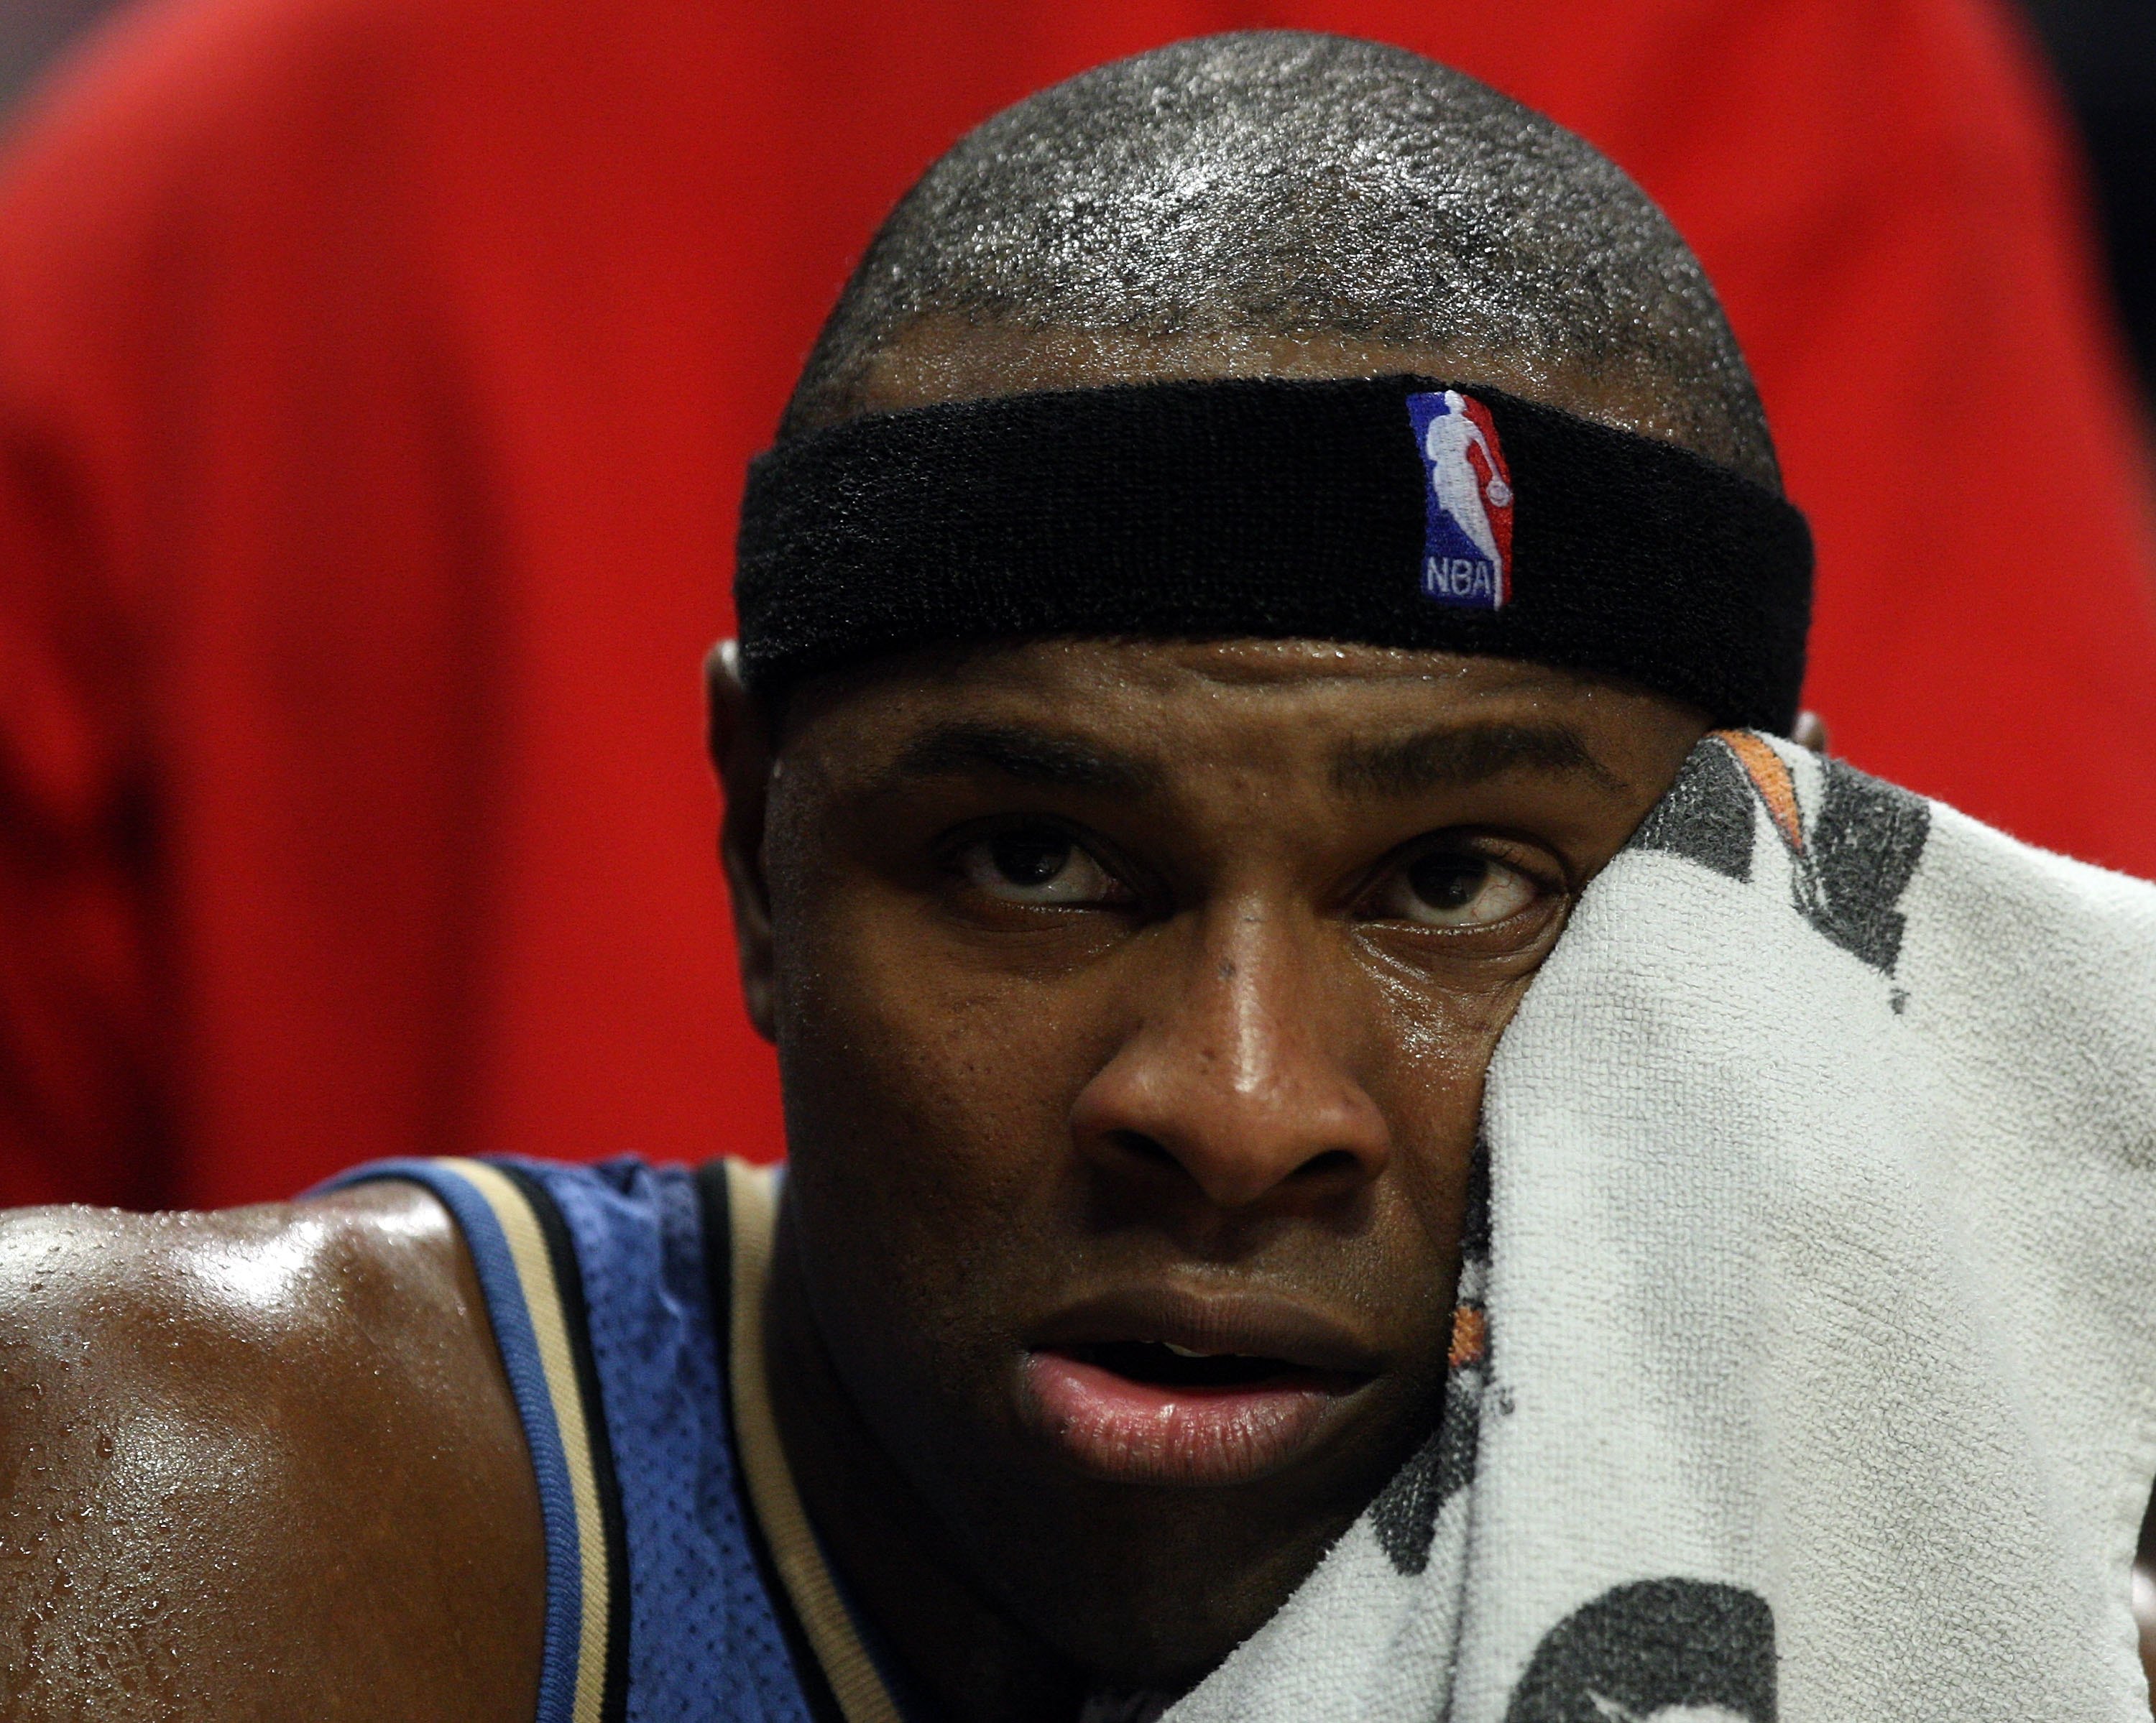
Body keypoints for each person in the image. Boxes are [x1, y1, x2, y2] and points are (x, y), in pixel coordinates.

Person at [4, 34, 2155, 1723]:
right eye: (1033, 858)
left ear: (1763, 920)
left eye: (1458, 882)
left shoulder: (2028, 1614)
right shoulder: (179, 1517)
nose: (1233, 1110)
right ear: (762, 847)